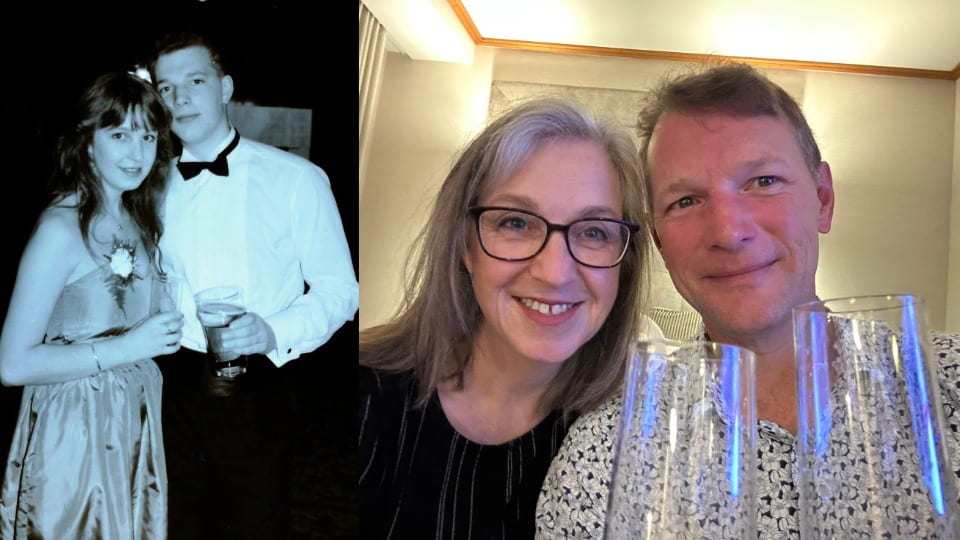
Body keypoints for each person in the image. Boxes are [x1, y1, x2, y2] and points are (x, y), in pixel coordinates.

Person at [535, 62, 960, 538]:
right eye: (686, 202)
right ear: (657, 239)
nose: (729, 232)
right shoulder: (605, 453)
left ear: (822, 198)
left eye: (763, 182)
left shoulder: (947, 382)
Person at [358, 97, 652, 538]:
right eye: (516, 223)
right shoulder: (366, 392)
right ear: (464, 246)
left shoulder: (640, 439)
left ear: (625, 261)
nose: (554, 273)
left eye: (594, 232)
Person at [146, 31, 358, 538]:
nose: (179, 98)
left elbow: (340, 290)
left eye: (194, 81)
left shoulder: (297, 179)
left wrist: (271, 330)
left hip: (257, 389)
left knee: (255, 524)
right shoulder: (148, 186)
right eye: (165, 87)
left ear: (225, 88)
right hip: (169, 385)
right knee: (177, 525)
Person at [0, 72, 183, 539]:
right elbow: (14, 364)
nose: (137, 152)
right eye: (119, 134)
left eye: (147, 136)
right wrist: (128, 348)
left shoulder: (139, 220)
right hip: (74, 431)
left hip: (132, 423)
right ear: (86, 143)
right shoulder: (60, 231)